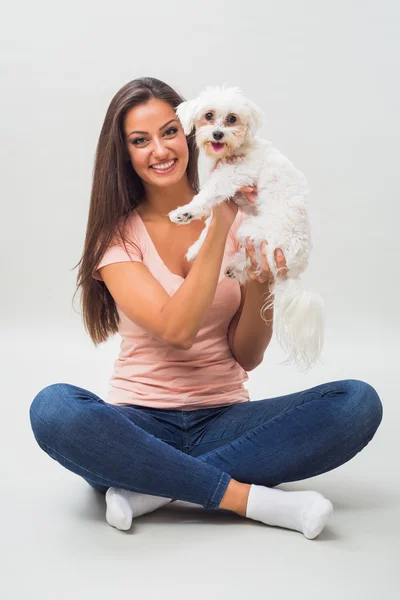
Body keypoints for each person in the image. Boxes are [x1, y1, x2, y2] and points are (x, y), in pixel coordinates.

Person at [29, 77, 383, 539]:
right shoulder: (116, 238)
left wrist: (259, 285)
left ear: (190, 130)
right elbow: (177, 329)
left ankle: (151, 488)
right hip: (138, 424)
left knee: (357, 403)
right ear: (125, 154)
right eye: (140, 141)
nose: (160, 150)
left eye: (169, 131)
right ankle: (249, 499)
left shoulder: (249, 218)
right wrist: (219, 223)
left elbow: (248, 356)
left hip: (227, 420)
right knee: (54, 408)